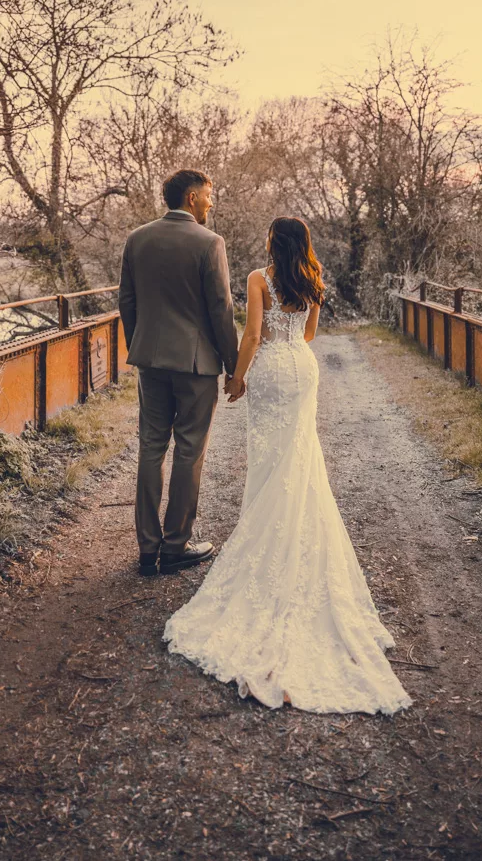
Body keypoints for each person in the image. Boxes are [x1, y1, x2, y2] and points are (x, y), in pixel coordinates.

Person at [163, 216, 411, 715]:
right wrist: (290, 340)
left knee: (272, 459)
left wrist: (237, 377)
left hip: (273, 370)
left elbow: (253, 335)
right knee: (300, 457)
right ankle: (295, 531)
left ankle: (267, 534)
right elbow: (311, 333)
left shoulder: (260, 278)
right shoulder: (314, 277)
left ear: (273, 241)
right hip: (302, 367)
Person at [118, 168, 239, 577]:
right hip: (195, 365)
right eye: (208, 194)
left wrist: (141, 346)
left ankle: (146, 549)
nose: (211, 202)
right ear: (191, 197)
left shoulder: (137, 239)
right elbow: (221, 309)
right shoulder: (210, 242)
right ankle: (175, 546)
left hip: (151, 361)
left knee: (151, 447)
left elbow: (127, 301)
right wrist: (233, 365)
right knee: (189, 451)